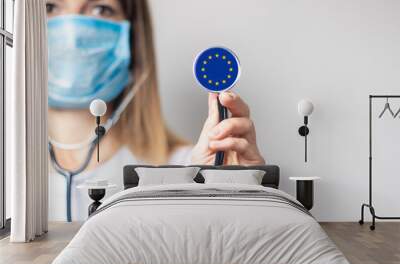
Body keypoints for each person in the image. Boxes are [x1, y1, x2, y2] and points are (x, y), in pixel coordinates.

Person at [46, 0, 265, 221]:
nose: (73, 35)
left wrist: (234, 201)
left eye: (100, 9)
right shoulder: (8, 175)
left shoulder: (193, 169)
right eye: (49, 7)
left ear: (134, 39)